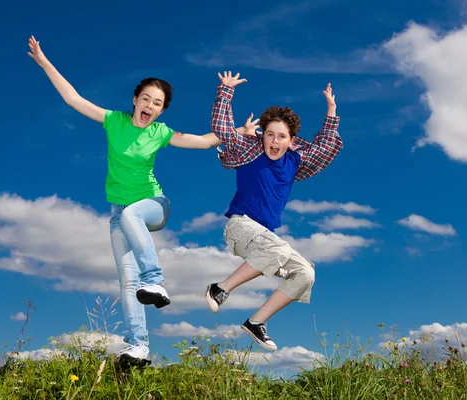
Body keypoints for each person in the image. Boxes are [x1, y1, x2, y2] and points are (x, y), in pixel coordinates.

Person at [27, 37, 257, 365]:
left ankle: (156, 280)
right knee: (127, 279)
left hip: (153, 205)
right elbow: (73, 98)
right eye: (146, 99)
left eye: (158, 103)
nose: (150, 106)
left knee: (132, 219)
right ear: (135, 100)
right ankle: (138, 346)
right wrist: (45, 63)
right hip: (119, 213)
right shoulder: (114, 122)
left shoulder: (160, 132)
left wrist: (239, 132)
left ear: (162, 110)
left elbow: (205, 140)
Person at [205, 71, 343, 351]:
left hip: (264, 238)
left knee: (305, 274)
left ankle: (256, 322)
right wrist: (225, 92)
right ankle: (219, 289)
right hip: (240, 226)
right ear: (263, 135)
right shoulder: (249, 150)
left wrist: (331, 112)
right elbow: (223, 129)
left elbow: (326, 147)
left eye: (282, 137)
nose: (275, 142)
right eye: (270, 135)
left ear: (291, 140)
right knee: (278, 250)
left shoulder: (295, 160)